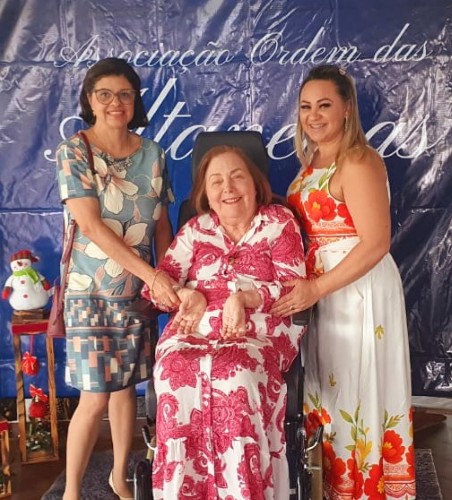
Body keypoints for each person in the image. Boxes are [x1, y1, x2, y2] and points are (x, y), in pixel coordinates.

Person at [271, 64, 416, 498]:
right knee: (331, 393)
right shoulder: (313, 160)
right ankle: (338, 487)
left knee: (358, 389)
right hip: (324, 292)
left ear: (347, 109)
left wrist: (316, 287)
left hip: (357, 290)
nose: (313, 116)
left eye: (324, 105)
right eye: (305, 107)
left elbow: (376, 243)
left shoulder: (358, 159)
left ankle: (368, 490)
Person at [141, 145, 307, 499]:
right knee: (174, 369)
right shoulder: (195, 230)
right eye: (216, 181)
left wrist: (246, 298)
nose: (227, 188)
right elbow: (157, 286)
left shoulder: (278, 222)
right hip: (193, 333)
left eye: (237, 177)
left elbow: (295, 286)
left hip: (260, 333)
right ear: (206, 193)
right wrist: (186, 295)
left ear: (255, 184)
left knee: (235, 373)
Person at [56, 57, 179, 500]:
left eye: (125, 94)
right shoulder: (75, 151)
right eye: (104, 94)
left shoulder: (154, 154)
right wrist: (153, 276)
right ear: (89, 100)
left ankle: (119, 478)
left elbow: (161, 225)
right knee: (94, 396)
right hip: (90, 291)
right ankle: (71, 491)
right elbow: (91, 225)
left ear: (135, 101)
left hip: (139, 294)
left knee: (127, 389)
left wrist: (168, 278)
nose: (115, 102)